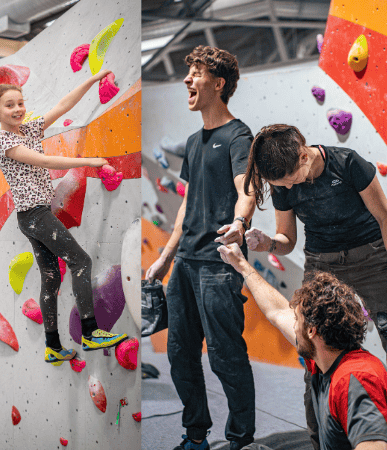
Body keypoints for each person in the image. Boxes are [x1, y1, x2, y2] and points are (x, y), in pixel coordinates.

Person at [242, 124, 387, 449]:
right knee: (310, 346)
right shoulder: (283, 184)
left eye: (289, 178)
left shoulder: (349, 164)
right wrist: (268, 242)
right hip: (321, 259)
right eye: (279, 184)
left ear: (303, 155)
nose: (285, 186)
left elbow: (385, 218)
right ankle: (320, 440)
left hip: (369, 253)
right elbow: (287, 240)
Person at [145, 46, 257, 450]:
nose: (187, 80)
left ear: (219, 83)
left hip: (218, 264)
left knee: (226, 357)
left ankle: (241, 440)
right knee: (180, 355)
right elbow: (186, 207)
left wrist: (241, 224)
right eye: (188, 72)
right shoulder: (194, 142)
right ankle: (196, 436)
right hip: (186, 265)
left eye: (196, 73)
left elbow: (247, 188)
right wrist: (165, 256)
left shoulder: (238, 135)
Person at [0, 71, 129, 365]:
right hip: (34, 215)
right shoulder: (3, 140)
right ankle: (91, 331)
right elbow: (45, 161)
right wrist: (90, 161)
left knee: (51, 278)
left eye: (20, 103)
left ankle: (53, 346)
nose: (17, 110)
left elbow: (63, 106)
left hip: (34, 216)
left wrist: (92, 81)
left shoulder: (28, 130)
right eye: (9, 105)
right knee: (81, 261)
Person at [216, 243, 387, 450]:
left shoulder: (355, 380)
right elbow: (277, 311)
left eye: (297, 320)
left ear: (312, 331)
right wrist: (242, 265)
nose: (293, 324)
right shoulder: (326, 354)